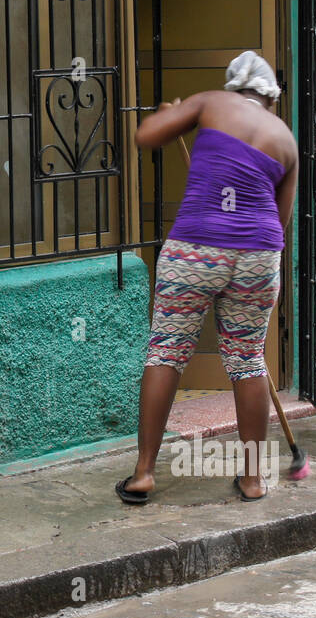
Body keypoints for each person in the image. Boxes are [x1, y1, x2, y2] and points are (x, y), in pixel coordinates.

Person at [116, 51, 298, 504]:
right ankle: (253, 480)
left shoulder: (211, 102)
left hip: (196, 247)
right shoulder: (286, 139)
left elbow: (145, 137)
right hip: (258, 254)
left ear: (234, 88)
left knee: (167, 351)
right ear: (270, 98)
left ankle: (143, 474)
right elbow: (282, 217)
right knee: (248, 360)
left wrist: (170, 116)